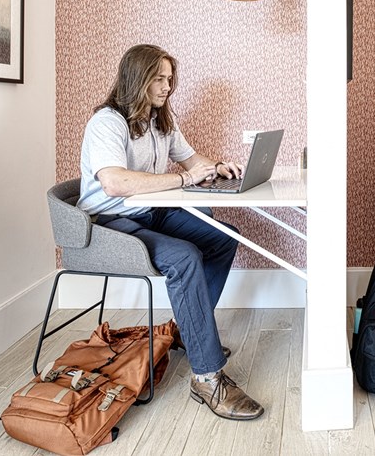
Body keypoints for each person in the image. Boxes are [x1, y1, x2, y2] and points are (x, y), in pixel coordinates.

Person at [78, 44, 264, 420]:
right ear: (138, 79)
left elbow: (193, 161)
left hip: (149, 212)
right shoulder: (107, 123)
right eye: (159, 79)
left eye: (169, 79)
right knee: (184, 257)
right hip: (110, 222)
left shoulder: (161, 119)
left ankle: (187, 331)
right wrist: (182, 178)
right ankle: (207, 378)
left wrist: (218, 167)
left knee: (223, 237)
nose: (168, 87)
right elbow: (113, 183)